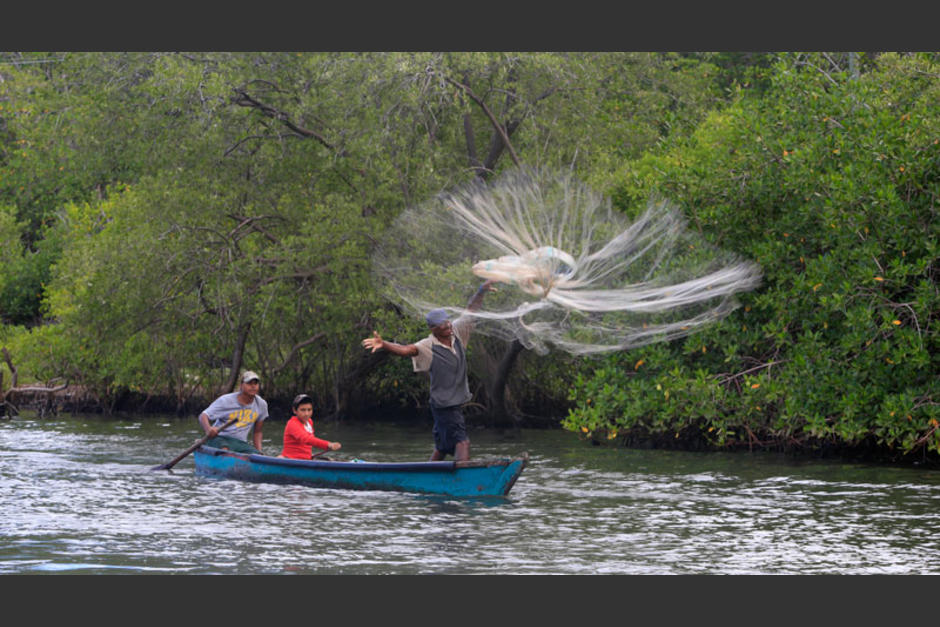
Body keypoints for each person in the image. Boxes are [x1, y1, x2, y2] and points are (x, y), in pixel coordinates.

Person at [361, 280, 495, 462]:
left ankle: (425, 475)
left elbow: (470, 310)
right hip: (445, 404)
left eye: (447, 321)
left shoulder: (457, 332)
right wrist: (384, 344)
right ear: (433, 329)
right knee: (462, 442)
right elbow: (406, 350)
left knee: (442, 446)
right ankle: (462, 481)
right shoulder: (428, 345)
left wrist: (481, 291)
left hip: (448, 403)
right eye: (442, 324)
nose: (447, 325)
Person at [198, 370, 268, 454]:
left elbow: (257, 432)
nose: (253, 386)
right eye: (249, 383)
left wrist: (259, 452)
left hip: (240, 443)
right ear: (241, 385)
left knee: (256, 455)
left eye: (255, 384)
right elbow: (203, 416)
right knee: (224, 449)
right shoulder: (226, 401)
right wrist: (208, 429)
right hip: (220, 438)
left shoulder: (261, 404)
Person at [281, 393, 341, 460]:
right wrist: (328, 444)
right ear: (295, 410)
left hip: (306, 460)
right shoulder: (292, 424)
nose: (306, 414)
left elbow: (311, 441)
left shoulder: (309, 422)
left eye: (309, 410)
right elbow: (306, 439)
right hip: (291, 460)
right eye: (303, 410)